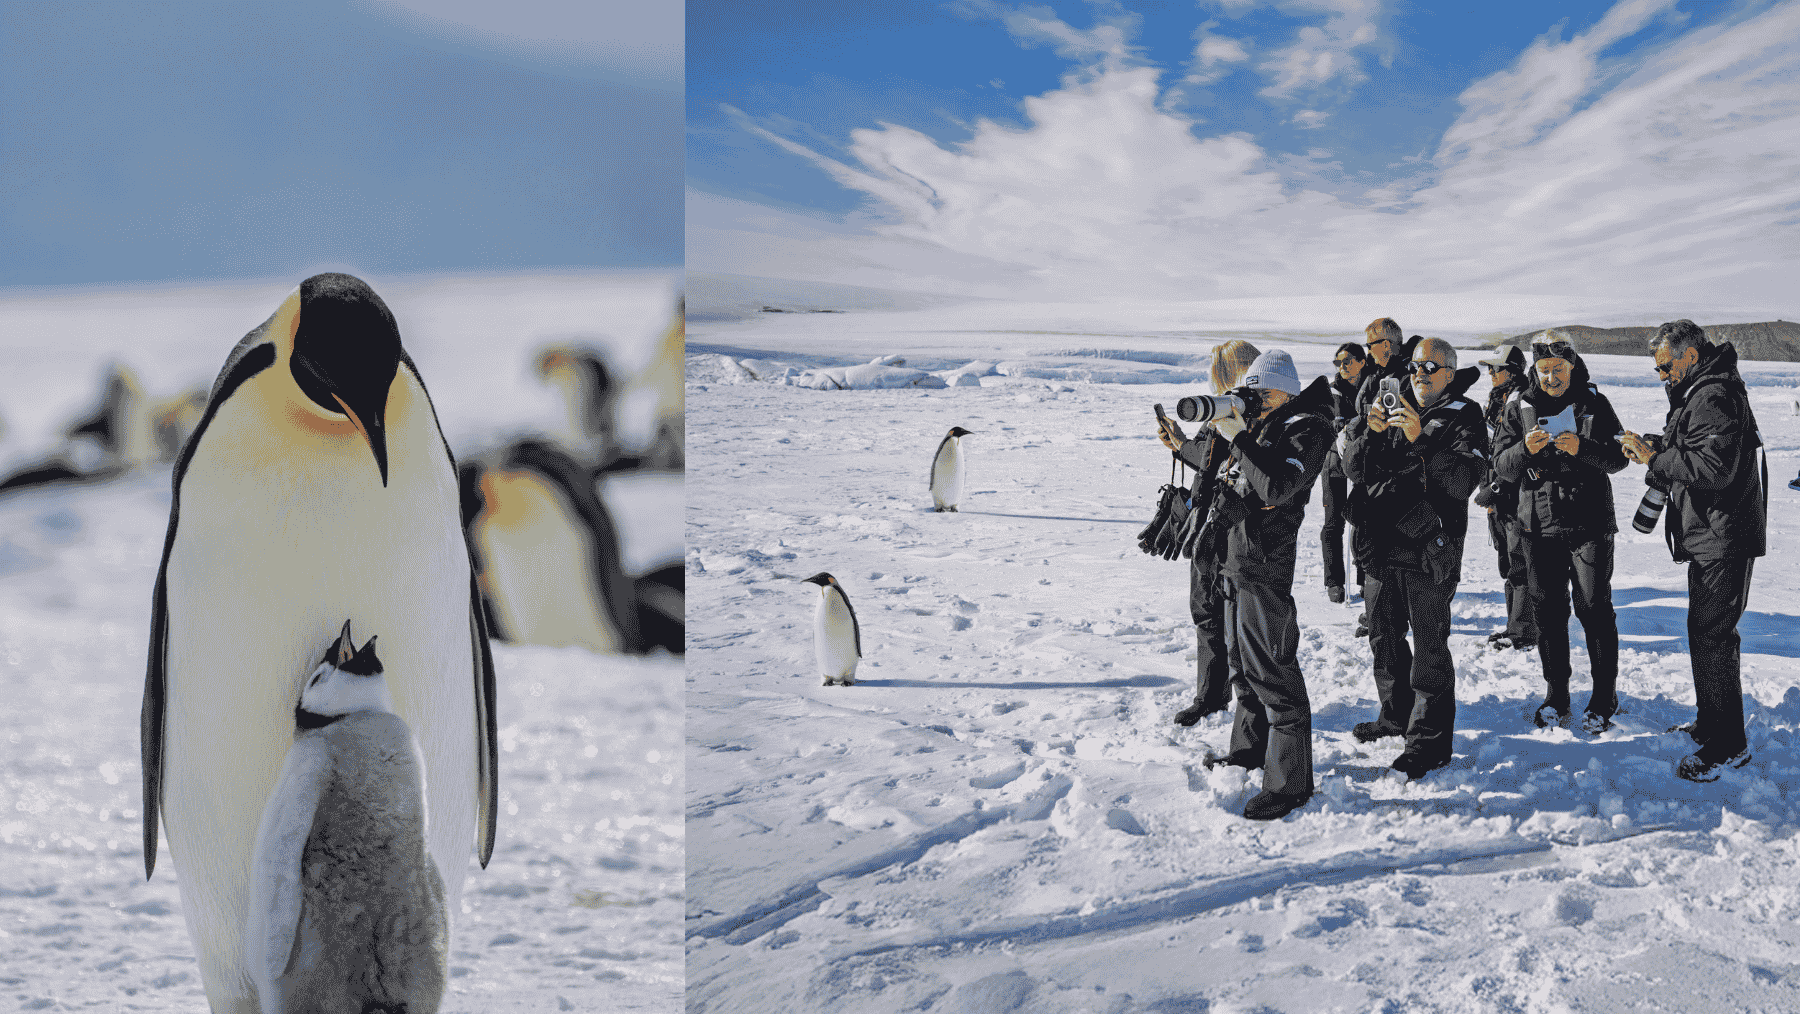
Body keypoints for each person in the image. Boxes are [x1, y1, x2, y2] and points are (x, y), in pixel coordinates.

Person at [1621, 319, 1766, 781]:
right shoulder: (1702, 391)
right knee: (1705, 634)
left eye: (1666, 367)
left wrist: (1654, 459)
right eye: (1657, 371)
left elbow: (1713, 468)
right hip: (1711, 533)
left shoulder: (1714, 394)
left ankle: (1729, 743)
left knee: (1715, 637)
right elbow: (1696, 447)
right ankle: (1712, 723)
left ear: (1691, 355)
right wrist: (1657, 446)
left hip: (1723, 535)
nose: (1663, 376)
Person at [1195, 349, 1335, 820]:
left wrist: (1241, 438)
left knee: (1273, 673)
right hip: (1237, 559)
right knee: (1242, 670)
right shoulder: (1266, 425)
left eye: (1261, 394)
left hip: (1266, 566)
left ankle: (1290, 783)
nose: (1253, 401)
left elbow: (1276, 487)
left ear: (1284, 392)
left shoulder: (1307, 428)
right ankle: (1250, 751)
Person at [1343, 338, 1486, 777]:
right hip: (1381, 546)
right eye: (1416, 367)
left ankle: (1428, 744)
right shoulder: (1392, 404)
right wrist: (1370, 432)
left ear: (1449, 373)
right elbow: (1352, 470)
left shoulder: (1466, 415)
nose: (1420, 374)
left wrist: (1418, 438)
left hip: (1430, 550)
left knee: (1429, 648)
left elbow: (1463, 481)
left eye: (1430, 368)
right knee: (1383, 638)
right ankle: (1394, 717)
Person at [1492, 332, 1626, 733]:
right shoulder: (1518, 406)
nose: (1551, 377)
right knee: (1549, 613)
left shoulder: (1594, 402)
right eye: (1544, 370)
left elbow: (1619, 458)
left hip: (1589, 525)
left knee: (1594, 609)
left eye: (1559, 369)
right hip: (1537, 526)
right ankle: (1557, 693)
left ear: (1572, 366)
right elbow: (1500, 464)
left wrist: (1582, 448)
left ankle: (1604, 694)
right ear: (1535, 369)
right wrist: (1525, 451)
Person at [1159, 339, 1262, 726]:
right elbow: (1207, 461)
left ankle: (1248, 702)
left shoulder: (1254, 412)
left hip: (1236, 526)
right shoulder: (1218, 411)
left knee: (1239, 620)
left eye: (1217, 369)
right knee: (1205, 609)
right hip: (1206, 523)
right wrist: (1180, 444)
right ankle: (1210, 693)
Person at [1345, 318, 1417, 637]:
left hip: (1389, 476)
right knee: (1365, 545)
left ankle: (1384, 618)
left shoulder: (1402, 378)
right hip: (1372, 470)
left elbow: (1392, 425)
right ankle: (1376, 613)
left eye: (1370, 345)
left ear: (1385, 345)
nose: (1368, 351)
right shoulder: (1383, 375)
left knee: (1381, 551)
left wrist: (1361, 431)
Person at [1473, 345, 1537, 651]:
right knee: (1507, 560)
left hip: (1515, 496)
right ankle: (1516, 624)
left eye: (1495, 369)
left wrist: (1496, 487)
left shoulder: (1522, 401)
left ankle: (1523, 631)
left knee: (1518, 561)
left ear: (1511, 371)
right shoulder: (1499, 400)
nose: (1490, 374)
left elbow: (1522, 453)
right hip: (1499, 494)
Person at [1320, 343, 1366, 604]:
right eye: (1338, 362)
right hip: (1334, 459)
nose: (1342, 367)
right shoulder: (1332, 389)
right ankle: (1334, 581)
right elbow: (1331, 420)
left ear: (1361, 361)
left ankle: (1365, 578)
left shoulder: (1372, 385)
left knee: (1362, 517)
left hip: (1363, 460)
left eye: (1347, 361)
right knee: (1333, 521)